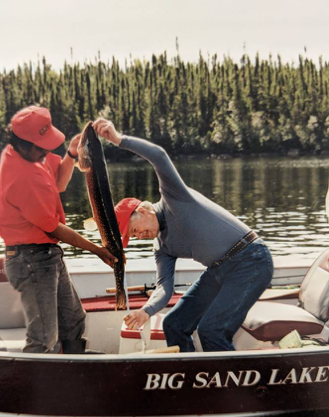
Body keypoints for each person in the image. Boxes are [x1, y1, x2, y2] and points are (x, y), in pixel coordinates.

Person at [93, 118, 274, 352]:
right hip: (219, 270)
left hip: (252, 260)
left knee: (212, 330)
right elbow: (163, 288)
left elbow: (158, 156)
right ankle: (193, 379)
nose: (140, 236)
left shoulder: (174, 198)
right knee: (174, 324)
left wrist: (118, 140)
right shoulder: (161, 247)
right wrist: (145, 311)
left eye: (135, 230)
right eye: (134, 237)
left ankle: (230, 387)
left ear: (144, 209)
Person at [0, 106, 116, 353]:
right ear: (24, 144)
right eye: (42, 146)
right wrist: (97, 250)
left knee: (73, 322)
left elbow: (58, 181)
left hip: (47, 256)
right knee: (44, 337)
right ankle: (33, 388)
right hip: (31, 260)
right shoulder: (21, 177)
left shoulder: (28, 155)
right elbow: (54, 229)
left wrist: (71, 155)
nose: (47, 150)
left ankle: (73, 376)